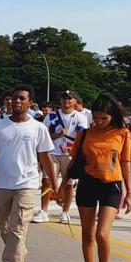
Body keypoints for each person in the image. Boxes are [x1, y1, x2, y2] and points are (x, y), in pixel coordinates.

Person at [0, 85, 58, 262]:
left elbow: (45, 157)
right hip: (3, 183)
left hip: (27, 184)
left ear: (30, 103)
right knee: (0, 221)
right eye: (14, 98)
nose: (17, 102)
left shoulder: (38, 128)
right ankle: (19, 249)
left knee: (18, 226)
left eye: (22, 99)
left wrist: (56, 184)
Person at [61, 93, 131, 262]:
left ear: (113, 116)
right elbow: (74, 162)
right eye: (97, 118)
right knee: (87, 233)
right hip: (88, 185)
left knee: (102, 233)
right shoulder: (85, 134)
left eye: (104, 118)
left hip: (112, 186)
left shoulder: (122, 133)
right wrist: (60, 187)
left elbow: (126, 162)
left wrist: (129, 193)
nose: (99, 122)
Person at [38, 91, 89, 224]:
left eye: (69, 99)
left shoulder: (80, 117)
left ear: (75, 101)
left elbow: (82, 136)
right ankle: (44, 211)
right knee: (46, 181)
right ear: (60, 101)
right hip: (53, 153)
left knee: (69, 184)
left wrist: (74, 149)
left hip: (70, 155)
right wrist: (59, 135)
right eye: (64, 98)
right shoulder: (51, 116)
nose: (66, 101)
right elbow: (44, 135)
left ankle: (65, 212)